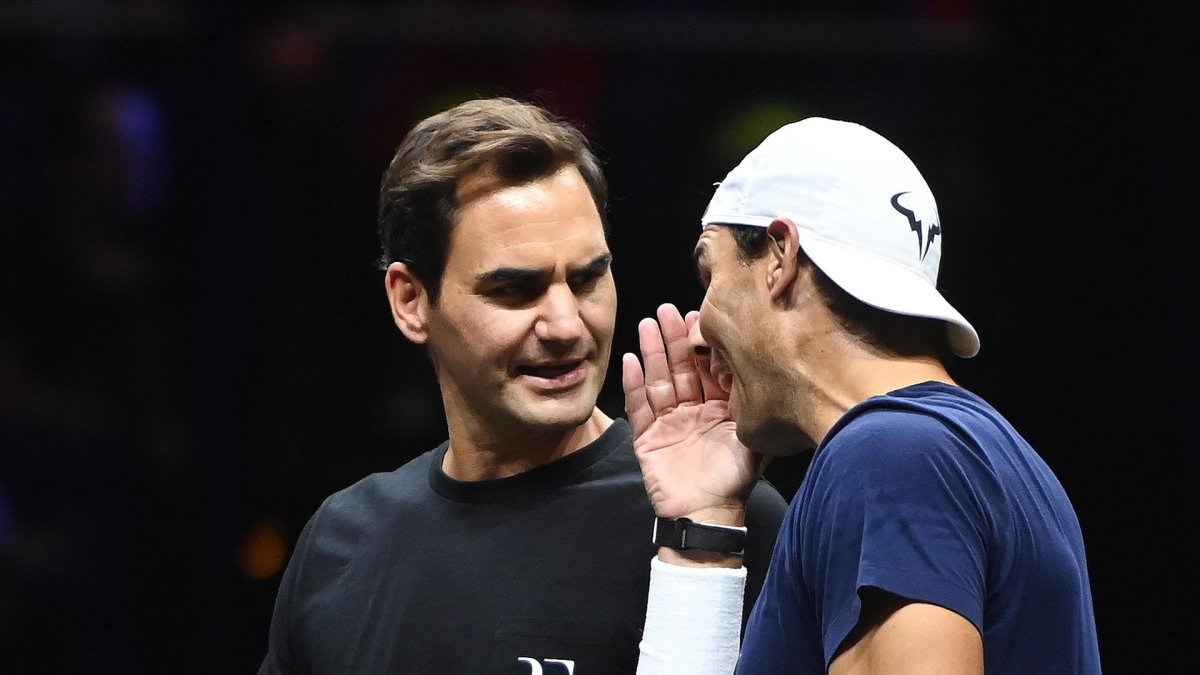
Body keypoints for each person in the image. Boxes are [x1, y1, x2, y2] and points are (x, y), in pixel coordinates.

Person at [257, 97, 787, 674]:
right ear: (410, 301)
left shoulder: (723, 520)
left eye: (588, 278)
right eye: (514, 289)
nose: (566, 326)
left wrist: (705, 537)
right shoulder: (342, 546)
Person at [624, 117, 1101, 674]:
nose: (699, 332)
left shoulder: (892, 459)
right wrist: (701, 530)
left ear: (780, 256)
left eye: (711, 275)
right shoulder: (959, 453)